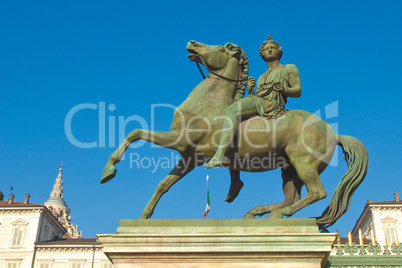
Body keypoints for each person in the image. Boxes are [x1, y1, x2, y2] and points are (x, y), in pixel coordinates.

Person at [205, 37, 302, 168]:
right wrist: (251, 90)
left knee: (231, 110)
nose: (269, 50)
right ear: (262, 53)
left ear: (278, 51)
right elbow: (259, 96)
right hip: (259, 101)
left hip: (272, 104)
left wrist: (284, 89)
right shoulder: (262, 76)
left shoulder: (289, 68)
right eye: (266, 49)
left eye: (272, 48)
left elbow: (298, 90)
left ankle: (220, 154)